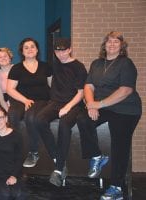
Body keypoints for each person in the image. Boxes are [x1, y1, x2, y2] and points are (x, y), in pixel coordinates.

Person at [76, 31, 142, 200]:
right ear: (104, 45)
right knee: (83, 119)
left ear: (122, 46)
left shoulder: (126, 63)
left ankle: (117, 188)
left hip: (126, 109)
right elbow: (89, 86)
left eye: (116, 42)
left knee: (120, 145)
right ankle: (97, 156)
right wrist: (91, 105)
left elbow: (126, 90)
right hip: (103, 105)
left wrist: (99, 104)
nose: (112, 44)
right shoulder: (97, 63)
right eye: (109, 41)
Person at [34, 38, 88, 187]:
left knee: (64, 124)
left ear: (70, 49)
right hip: (55, 102)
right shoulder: (55, 63)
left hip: (74, 104)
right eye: (58, 51)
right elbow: (49, 80)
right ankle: (58, 158)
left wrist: (68, 107)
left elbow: (81, 93)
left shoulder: (79, 67)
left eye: (63, 50)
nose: (61, 54)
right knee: (39, 120)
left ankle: (58, 170)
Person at [7, 37, 52, 168]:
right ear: (22, 51)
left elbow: (52, 86)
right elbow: (10, 89)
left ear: (37, 50)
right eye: (26, 47)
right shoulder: (16, 68)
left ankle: (33, 152)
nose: (29, 49)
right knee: (13, 114)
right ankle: (15, 148)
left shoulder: (46, 66)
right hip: (22, 99)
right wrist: (25, 100)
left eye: (32, 46)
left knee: (30, 117)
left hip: (41, 100)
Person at [0, 106, 27, 200]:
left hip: (13, 172)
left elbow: (20, 158)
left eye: (0, 118)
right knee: (4, 195)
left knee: (19, 195)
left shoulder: (17, 136)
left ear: (6, 118)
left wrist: (14, 176)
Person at [0, 47, 14, 112]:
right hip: (6, 103)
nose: (3, 58)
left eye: (5, 56)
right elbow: (1, 99)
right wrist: (8, 111)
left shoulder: (17, 69)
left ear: (10, 58)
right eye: (0, 57)